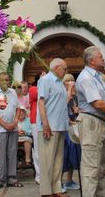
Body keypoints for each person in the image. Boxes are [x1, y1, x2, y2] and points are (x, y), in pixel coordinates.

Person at [76, 46, 105, 197]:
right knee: (90, 168)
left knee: (100, 167)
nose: (103, 59)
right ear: (92, 60)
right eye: (100, 56)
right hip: (91, 123)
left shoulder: (97, 76)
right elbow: (97, 103)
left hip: (99, 122)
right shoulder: (86, 77)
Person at [37, 58, 70, 197]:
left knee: (58, 161)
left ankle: (56, 189)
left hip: (60, 125)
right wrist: (45, 124)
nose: (66, 71)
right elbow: (41, 102)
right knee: (47, 161)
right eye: (65, 68)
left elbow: (62, 103)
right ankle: (46, 192)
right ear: (56, 67)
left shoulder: (60, 83)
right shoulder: (46, 80)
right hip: (49, 126)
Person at [0, 72, 22, 188]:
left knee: (12, 153)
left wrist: (15, 122)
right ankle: (2, 179)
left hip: (13, 127)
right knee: (1, 154)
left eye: (8, 80)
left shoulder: (13, 92)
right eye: (4, 80)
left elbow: (18, 109)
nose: (7, 82)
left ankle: (12, 178)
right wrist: (5, 124)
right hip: (1, 128)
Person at [62, 73, 81, 191]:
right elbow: (62, 107)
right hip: (65, 128)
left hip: (73, 128)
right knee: (64, 156)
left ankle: (69, 180)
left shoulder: (75, 96)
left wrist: (78, 111)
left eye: (72, 81)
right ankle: (58, 182)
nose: (70, 83)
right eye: (67, 81)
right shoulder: (64, 94)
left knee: (73, 156)